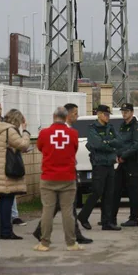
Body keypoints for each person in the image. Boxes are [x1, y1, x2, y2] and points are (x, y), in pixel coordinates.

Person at [33, 103, 93, 245]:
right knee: (68, 211)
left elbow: (41, 148)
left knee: (47, 211)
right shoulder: (73, 133)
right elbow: (74, 149)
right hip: (67, 176)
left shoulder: (44, 133)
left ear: (54, 117)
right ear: (66, 116)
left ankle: (44, 240)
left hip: (48, 176)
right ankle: (71, 242)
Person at [77, 105, 123, 231]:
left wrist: (106, 143)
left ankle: (106, 222)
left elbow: (119, 141)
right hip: (99, 164)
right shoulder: (93, 128)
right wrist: (109, 144)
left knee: (109, 193)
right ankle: (83, 216)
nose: (108, 117)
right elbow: (96, 144)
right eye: (106, 114)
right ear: (99, 114)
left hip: (110, 163)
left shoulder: (110, 127)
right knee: (97, 191)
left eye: (109, 115)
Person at [0, 108, 32, 240]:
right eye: (20, 122)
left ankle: (3, 229)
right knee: (7, 201)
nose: (20, 124)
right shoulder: (10, 130)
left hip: (0, 168)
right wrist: (25, 131)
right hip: (7, 171)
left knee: (4, 200)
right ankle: (6, 231)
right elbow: (23, 144)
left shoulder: (1, 129)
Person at [112, 103, 138, 227]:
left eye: (126, 111)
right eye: (123, 111)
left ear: (132, 112)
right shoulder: (122, 126)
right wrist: (117, 154)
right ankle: (111, 217)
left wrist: (124, 156)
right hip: (122, 161)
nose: (124, 113)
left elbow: (137, 145)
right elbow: (119, 142)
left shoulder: (136, 127)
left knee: (132, 191)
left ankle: (134, 218)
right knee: (116, 189)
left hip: (132, 162)